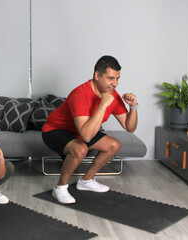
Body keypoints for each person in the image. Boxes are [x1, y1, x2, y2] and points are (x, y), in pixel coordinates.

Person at [42, 55, 138, 204]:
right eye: (111, 78)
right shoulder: (80, 94)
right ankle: (60, 187)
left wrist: (133, 106)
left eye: (118, 79)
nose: (115, 84)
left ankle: (86, 181)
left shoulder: (113, 95)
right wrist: (103, 105)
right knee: (80, 149)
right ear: (97, 75)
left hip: (80, 131)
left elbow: (130, 127)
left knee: (114, 145)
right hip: (55, 130)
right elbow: (86, 137)